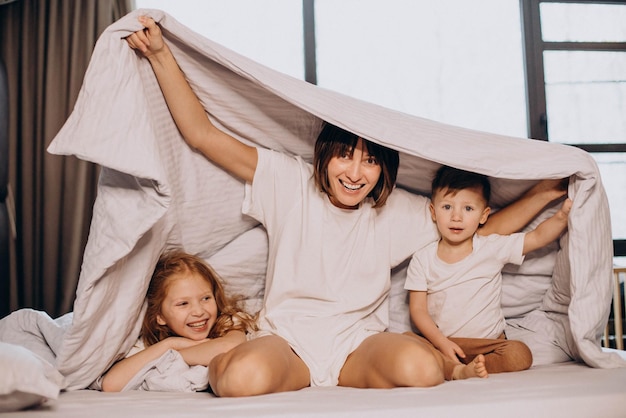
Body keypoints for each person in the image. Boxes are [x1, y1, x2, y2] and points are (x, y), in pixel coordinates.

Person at [125, 16, 568, 396]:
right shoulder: (288, 181)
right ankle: (222, 366)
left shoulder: (397, 211)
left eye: (371, 160)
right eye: (345, 155)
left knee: (422, 369)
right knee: (241, 378)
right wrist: (162, 55)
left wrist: (544, 193)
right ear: (323, 155)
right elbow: (204, 136)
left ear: (384, 170)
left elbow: (477, 230)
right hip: (288, 340)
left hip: (359, 344)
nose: (356, 172)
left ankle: (447, 361)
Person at [405, 166, 572, 378]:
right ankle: (455, 368)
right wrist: (442, 343)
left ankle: (468, 369)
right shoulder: (423, 259)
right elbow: (418, 310)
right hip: (444, 342)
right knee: (407, 343)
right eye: (447, 207)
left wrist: (562, 217)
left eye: (468, 209)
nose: (456, 217)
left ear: (484, 216)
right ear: (433, 212)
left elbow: (536, 237)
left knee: (520, 354)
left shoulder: (491, 247)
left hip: (488, 344)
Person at [101, 251, 257, 392]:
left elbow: (229, 347)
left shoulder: (229, 322)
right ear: (160, 316)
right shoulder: (152, 344)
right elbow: (111, 384)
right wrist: (170, 344)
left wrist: (174, 353)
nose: (198, 311)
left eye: (206, 298)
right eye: (183, 303)